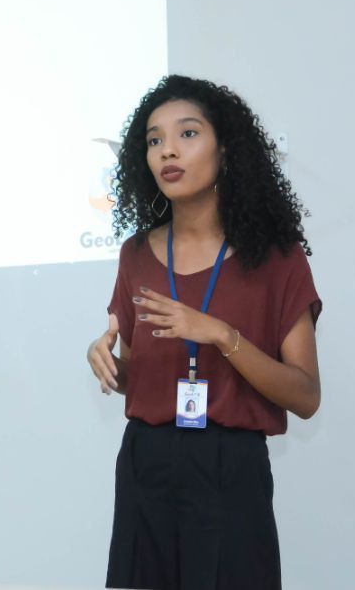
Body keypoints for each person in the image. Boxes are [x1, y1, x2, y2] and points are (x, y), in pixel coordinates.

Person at [86, 74, 323, 590]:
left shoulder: (277, 259)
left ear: (226, 148)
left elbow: (306, 397)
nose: (168, 149)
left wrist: (219, 334)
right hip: (146, 463)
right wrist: (109, 363)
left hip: (230, 469)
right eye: (154, 140)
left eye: (188, 134)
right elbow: (142, 375)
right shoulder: (135, 256)